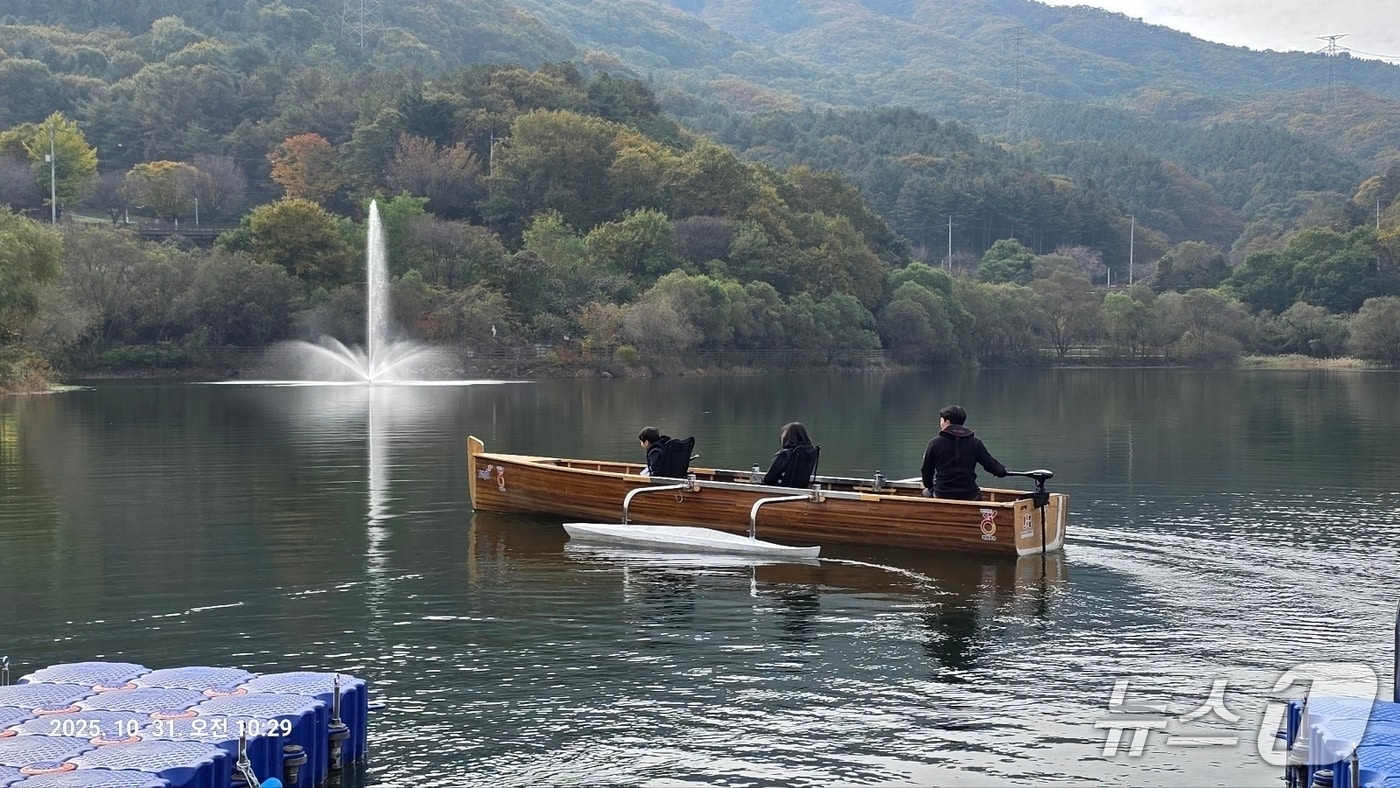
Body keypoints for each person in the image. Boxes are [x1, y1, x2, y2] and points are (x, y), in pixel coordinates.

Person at [920, 405, 1006, 500]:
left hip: (942, 493)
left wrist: (930, 486)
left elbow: (927, 473)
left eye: (941, 420)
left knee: (926, 492)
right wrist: (1002, 471)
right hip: (970, 494)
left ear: (947, 422)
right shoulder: (975, 443)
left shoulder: (934, 443)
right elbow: (993, 467)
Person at [762, 421, 820, 487]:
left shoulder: (786, 454)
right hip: (801, 489)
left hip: (783, 490)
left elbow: (769, 479)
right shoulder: (810, 452)